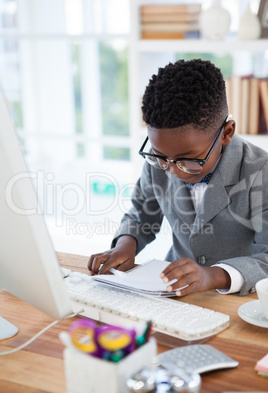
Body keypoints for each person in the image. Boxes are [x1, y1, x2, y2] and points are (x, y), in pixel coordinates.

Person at [87, 59, 268, 296]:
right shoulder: (160, 160)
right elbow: (141, 214)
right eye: (161, 157)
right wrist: (126, 244)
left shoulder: (260, 172)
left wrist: (212, 275)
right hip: (175, 290)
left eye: (189, 160)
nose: (174, 170)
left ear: (227, 133)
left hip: (246, 298)